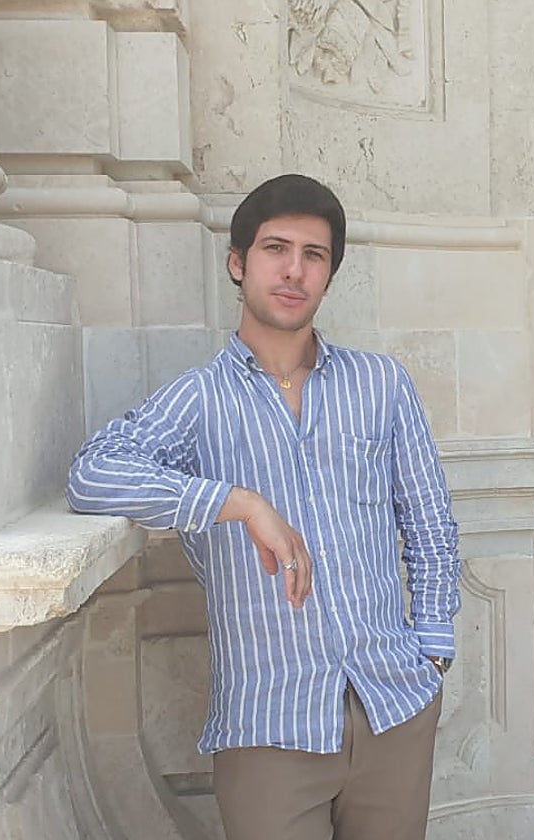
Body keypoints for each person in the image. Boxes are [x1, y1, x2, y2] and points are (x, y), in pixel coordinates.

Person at [66, 173, 461, 840]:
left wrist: (433, 649)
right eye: (276, 248)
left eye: (314, 255)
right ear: (238, 263)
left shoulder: (381, 384)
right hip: (269, 726)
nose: (294, 270)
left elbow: (430, 524)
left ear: (328, 276)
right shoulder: (199, 400)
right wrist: (236, 501)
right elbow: (91, 475)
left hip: (395, 705)